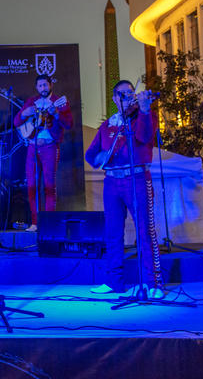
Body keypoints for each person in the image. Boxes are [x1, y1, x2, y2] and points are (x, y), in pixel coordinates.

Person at [85, 80, 163, 298]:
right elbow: (91, 155)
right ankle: (114, 282)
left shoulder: (142, 116)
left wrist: (145, 109)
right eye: (123, 93)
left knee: (144, 231)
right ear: (114, 99)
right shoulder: (108, 125)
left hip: (137, 178)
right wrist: (100, 158)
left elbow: (144, 137)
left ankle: (152, 282)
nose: (128, 96)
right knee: (112, 233)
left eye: (131, 92)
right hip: (112, 182)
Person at [13, 74, 73, 232]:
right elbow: (16, 122)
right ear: (36, 87)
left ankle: (49, 223)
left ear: (51, 85)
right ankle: (35, 222)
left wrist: (56, 113)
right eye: (40, 86)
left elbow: (68, 124)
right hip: (32, 147)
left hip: (50, 147)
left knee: (49, 185)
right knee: (32, 185)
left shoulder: (60, 101)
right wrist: (25, 113)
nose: (43, 88)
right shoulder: (31, 102)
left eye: (45, 85)